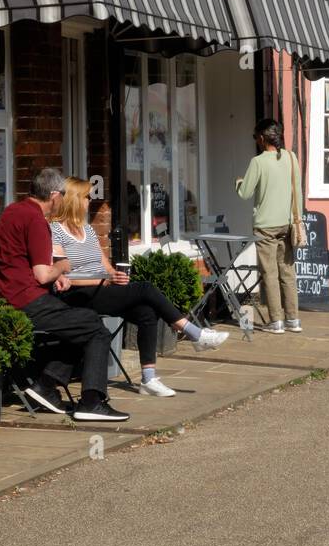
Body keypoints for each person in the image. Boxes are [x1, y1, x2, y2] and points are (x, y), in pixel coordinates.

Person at [50, 177, 229, 396]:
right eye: (87, 197)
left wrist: (114, 275)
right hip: (78, 293)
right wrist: (102, 279)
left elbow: (104, 264)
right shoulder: (55, 231)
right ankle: (192, 332)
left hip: (101, 289)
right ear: (75, 200)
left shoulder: (87, 230)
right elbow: (62, 274)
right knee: (145, 288)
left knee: (146, 311)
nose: (90, 201)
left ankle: (148, 379)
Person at [0, 167, 128, 422]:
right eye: (63, 195)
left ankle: (45, 386)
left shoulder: (12, 211)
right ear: (54, 196)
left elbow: (24, 262)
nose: (64, 200)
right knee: (96, 328)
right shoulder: (37, 221)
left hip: (10, 296)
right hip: (27, 302)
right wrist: (64, 266)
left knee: (81, 321)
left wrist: (58, 275)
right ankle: (92, 402)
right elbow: (43, 275)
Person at [236, 118, 303, 335]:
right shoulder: (291, 158)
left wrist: (238, 182)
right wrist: (297, 220)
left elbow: (244, 193)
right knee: (288, 273)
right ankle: (293, 319)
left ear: (263, 138)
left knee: (270, 274)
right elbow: (298, 193)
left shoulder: (258, 162)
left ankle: (276, 321)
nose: (256, 141)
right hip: (287, 223)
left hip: (265, 226)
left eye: (256, 138)